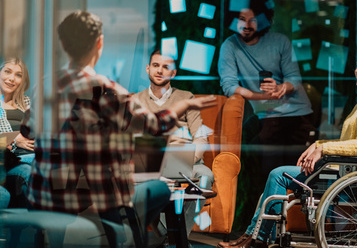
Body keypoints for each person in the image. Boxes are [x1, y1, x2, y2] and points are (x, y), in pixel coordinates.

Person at [20, 10, 216, 247]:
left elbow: (28, 130)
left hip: (42, 193)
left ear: (63, 44)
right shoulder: (106, 90)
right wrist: (181, 107)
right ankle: (139, 238)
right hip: (91, 192)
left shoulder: (45, 85)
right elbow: (154, 125)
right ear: (99, 44)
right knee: (155, 189)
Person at [218, 48, 357, 248]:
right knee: (276, 180)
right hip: (343, 170)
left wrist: (323, 149)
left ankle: (258, 240)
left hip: (350, 175)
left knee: (279, 175)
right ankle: (257, 237)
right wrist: (318, 144)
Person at [218, 0, 316, 172]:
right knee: (272, 170)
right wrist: (262, 97)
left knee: (302, 171)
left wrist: (281, 88)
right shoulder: (230, 46)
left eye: (253, 20)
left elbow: (294, 78)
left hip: (298, 112)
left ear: (262, 20)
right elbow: (229, 86)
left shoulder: (280, 41)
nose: (246, 25)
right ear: (234, 19)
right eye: (242, 19)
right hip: (267, 115)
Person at [132, 49, 214, 234]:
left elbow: (200, 136)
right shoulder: (136, 101)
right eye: (155, 65)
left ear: (173, 73)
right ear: (147, 69)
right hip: (151, 166)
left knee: (205, 177)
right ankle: (165, 236)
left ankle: (177, 239)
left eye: (165, 67)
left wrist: (188, 160)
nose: (160, 70)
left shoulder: (186, 98)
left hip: (187, 162)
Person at [0, 58, 34, 208]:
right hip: (9, 160)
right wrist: (15, 141)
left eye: (18, 75)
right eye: (7, 71)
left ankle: (41, 228)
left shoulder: (27, 103)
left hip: (32, 156)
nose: (12, 78)